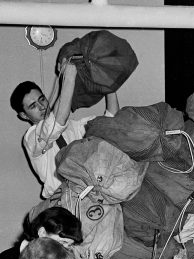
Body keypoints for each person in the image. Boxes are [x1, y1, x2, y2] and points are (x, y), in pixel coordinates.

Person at [11, 61, 119, 199]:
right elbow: (56, 124)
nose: (42, 107)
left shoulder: (74, 126)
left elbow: (111, 122)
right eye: (33, 106)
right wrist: (69, 77)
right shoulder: (31, 138)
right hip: (61, 203)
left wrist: (109, 84)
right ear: (24, 115)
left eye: (42, 99)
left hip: (88, 196)